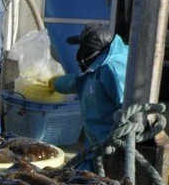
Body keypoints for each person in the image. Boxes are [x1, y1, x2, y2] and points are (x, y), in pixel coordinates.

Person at [48, 24, 128, 162]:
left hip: (110, 153)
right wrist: (58, 84)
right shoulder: (102, 64)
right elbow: (84, 81)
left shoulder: (111, 69)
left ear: (88, 48)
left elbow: (128, 111)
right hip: (94, 149)